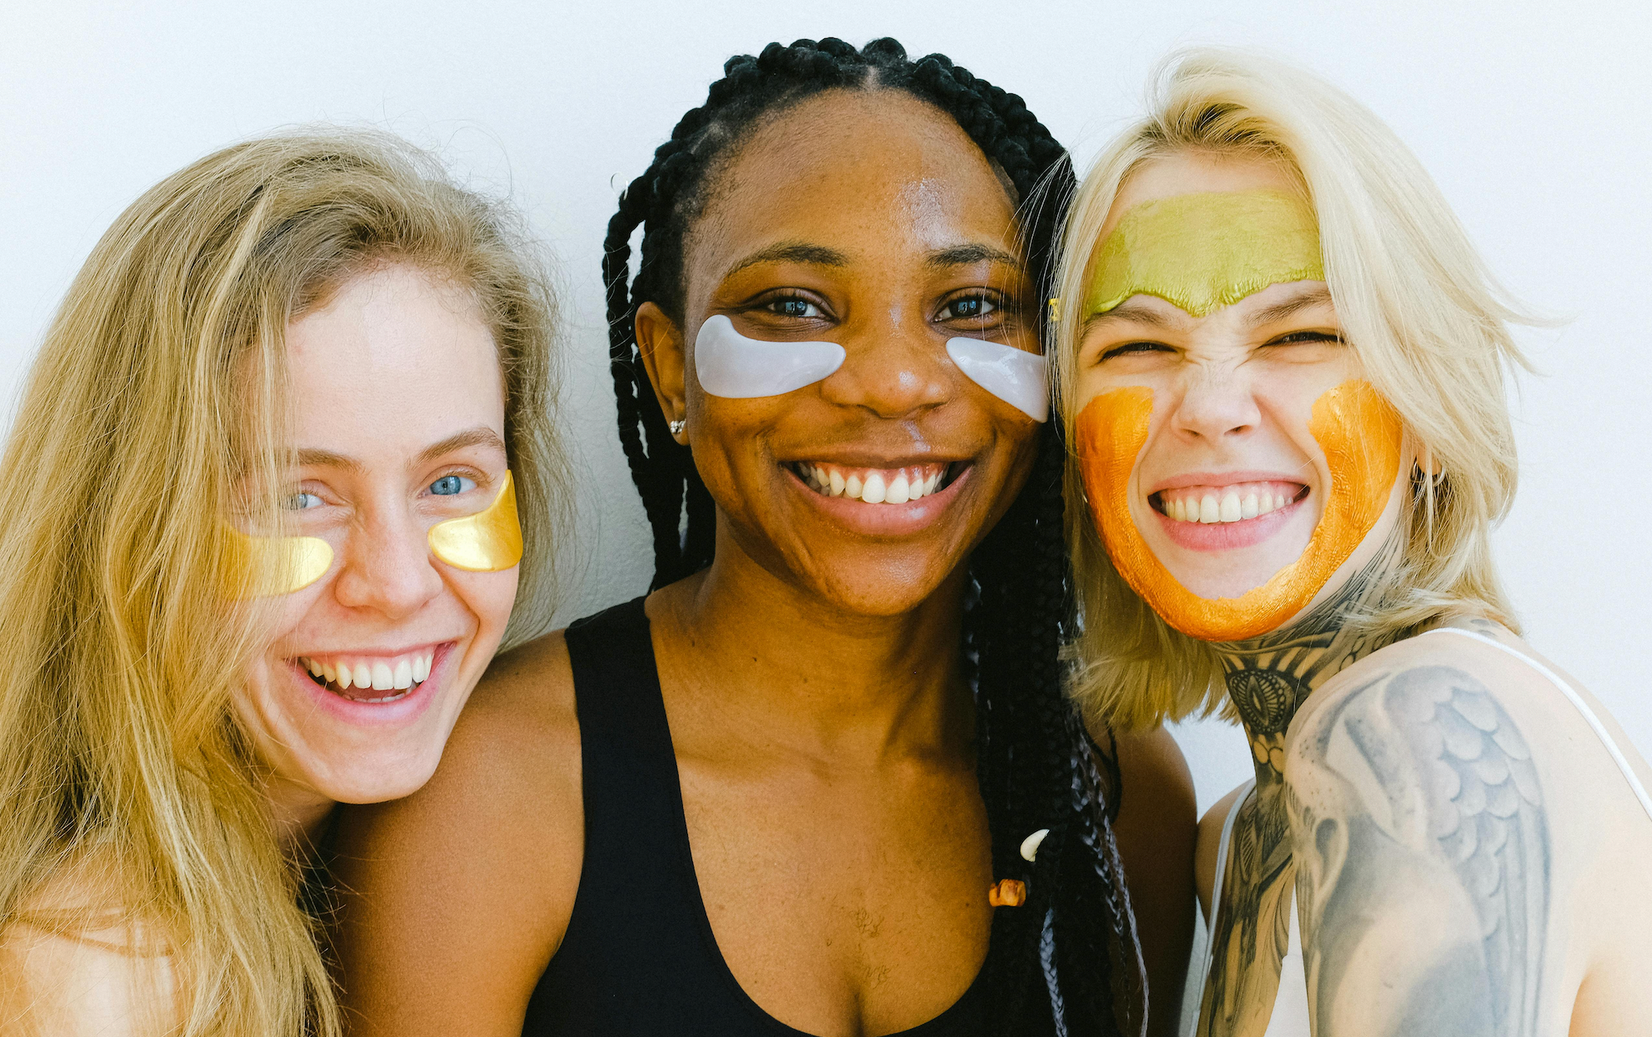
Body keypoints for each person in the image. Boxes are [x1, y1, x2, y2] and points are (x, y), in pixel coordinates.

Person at [333, 38, 1195, 1037]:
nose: (892, 379)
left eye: (969, 306)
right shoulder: (490, 788)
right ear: (666, 371)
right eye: (792, 306)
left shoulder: (1119, 791)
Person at [0, 130, 567, 1037]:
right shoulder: (86, 978)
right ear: (128, 531)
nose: (397, 581)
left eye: (449, 483)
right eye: (297, 496)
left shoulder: (371, 869)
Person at [1051, 48, 1652, 1037]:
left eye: (1301, 336)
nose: (1207, 408)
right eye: (1138, 347)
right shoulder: (1237, 834)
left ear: (1425, 407)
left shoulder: (1415, 732)